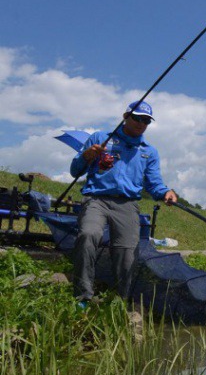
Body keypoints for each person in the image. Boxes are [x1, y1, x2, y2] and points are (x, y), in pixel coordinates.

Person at [70, 101, 177, 306]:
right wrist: (86, 156)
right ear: (126, 116)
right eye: (137, 118)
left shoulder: (149, 152)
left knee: (127, 253)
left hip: (127, 205)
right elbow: (75, 170)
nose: (141, 123)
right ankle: (83, 296)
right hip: (97, 198)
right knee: (88, 234)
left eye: (146, 120)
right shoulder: (101, 138)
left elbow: (154, 184)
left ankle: (119, 301)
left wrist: (165, 192)